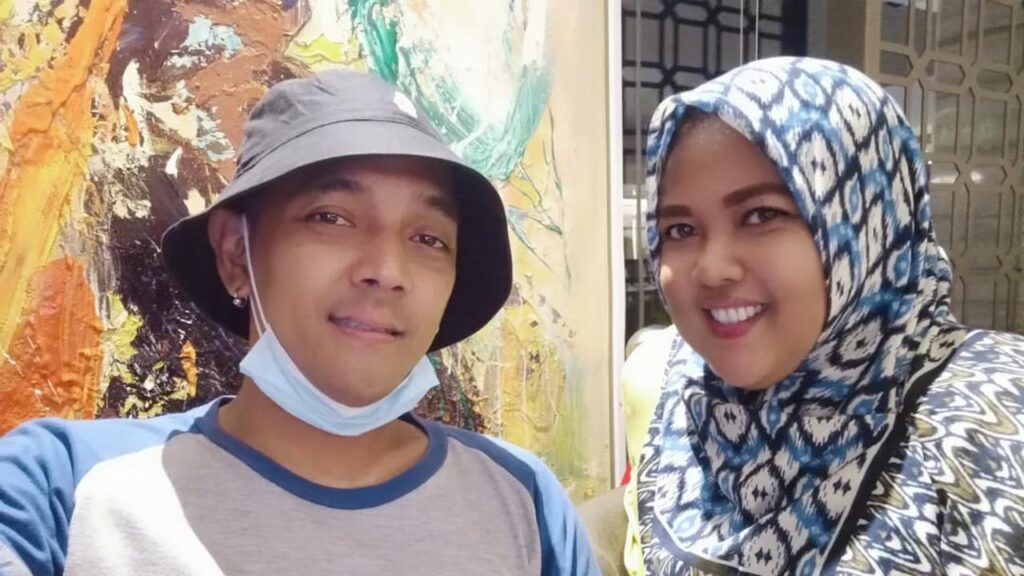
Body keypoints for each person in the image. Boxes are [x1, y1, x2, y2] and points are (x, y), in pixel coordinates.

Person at [0, 70, 599, 576]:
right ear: (236, 255)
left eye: (428, 238)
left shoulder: (522, 501)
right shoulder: (61, 489)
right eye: (331, 217)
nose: (388, 271)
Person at [621, 56, 1024, 574]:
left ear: (867, 221)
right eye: (680, 229)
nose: (712, 268)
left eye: (762, 215)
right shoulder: (674, 387)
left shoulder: (996, 418)